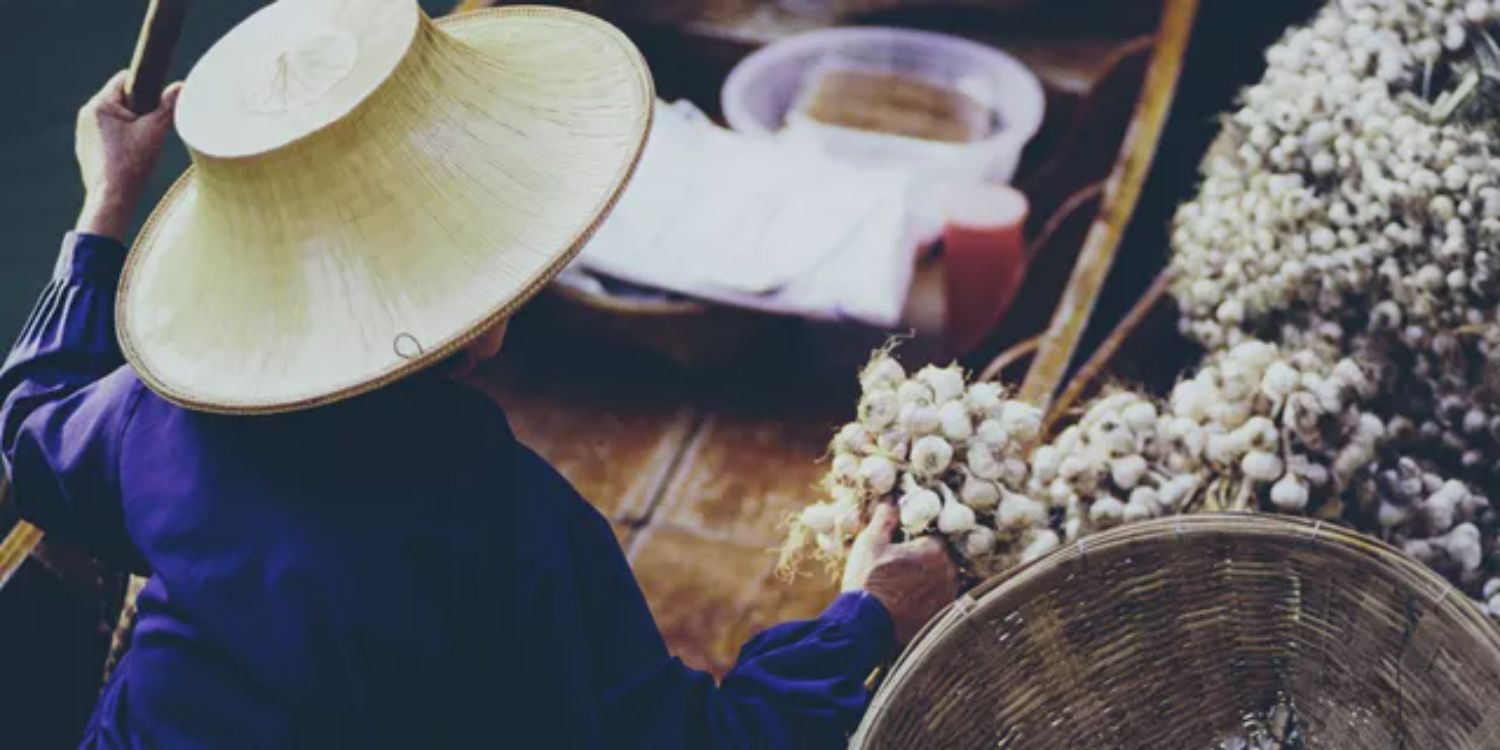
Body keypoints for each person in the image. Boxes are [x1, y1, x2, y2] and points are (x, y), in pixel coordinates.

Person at [0, 9, 958, 749]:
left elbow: (31, 426)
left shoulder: (150, 414)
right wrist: (864, 617)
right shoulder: (505, 524)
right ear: (481, 317)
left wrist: (106, 201)